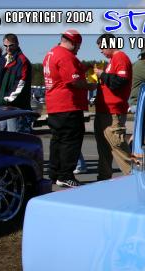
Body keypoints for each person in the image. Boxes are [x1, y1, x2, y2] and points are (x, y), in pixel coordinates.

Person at [43, 29, 91, 188]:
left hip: (54, 105)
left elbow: (62, 74)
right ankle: (66, 175)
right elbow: (73, 81)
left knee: (57, 140)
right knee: (71, 141)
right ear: (73, 43)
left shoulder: (51, 53)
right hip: (67, 105)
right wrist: (91, 86)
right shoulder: (65, 56)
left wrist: (81, 69)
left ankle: (55, 174)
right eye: (78, 46)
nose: (78, 50)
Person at [94, 34, 133, 181]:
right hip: (105, 111)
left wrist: (102, 75)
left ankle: (134, 177)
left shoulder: (120, 58)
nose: (101, 51)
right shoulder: (112, 60)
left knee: (119, 148)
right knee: (104, 149)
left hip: (113, 112)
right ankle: (103, 179)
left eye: (102, 47)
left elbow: (120, 81)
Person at [0, 34, 32, 133]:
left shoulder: (22, 61)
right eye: (5, 46)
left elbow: (21, 83)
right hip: (1, 106)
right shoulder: (2, 60)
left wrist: (9, 99)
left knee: (13, 134)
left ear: (17, 44)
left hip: (14, 107)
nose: (8, 48)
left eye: (11, 45)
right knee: (1, 133)